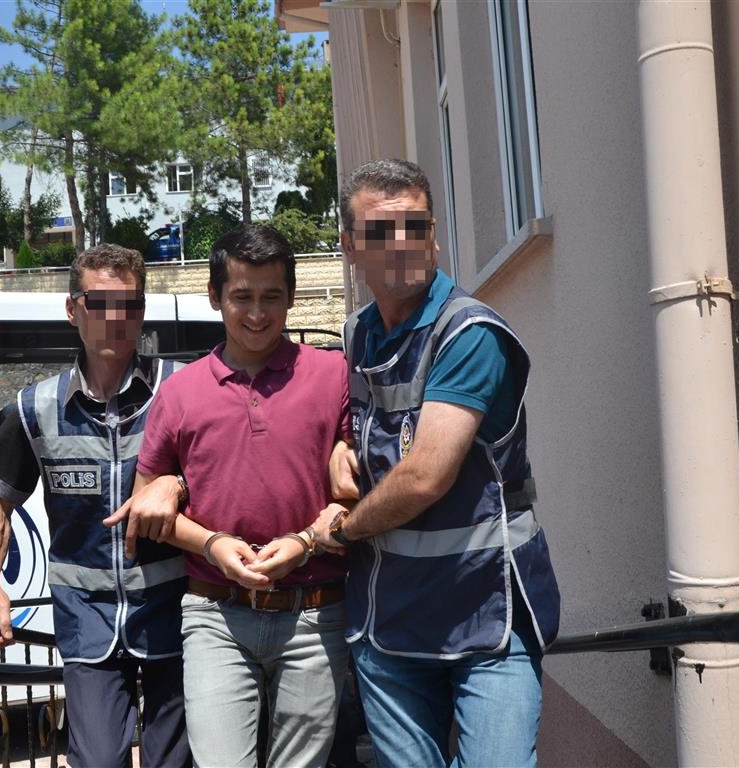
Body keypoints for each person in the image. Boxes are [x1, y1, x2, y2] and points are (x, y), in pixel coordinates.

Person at [313, 158, 561, 767]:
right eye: (381, 231)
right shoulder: (357, 333)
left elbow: (425, 475)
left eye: (415, 227)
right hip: (390, 620)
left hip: (485, 614)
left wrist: (343, 529)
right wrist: (342, 448)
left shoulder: (469, 333)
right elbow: (367, 430)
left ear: (434, 237)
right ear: (349, 246)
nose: (401, 243)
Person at [111, 224, 351, 767]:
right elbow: (146, 507)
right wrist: (212, 544)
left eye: (272, 297)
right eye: (242, 297)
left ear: (292, 296)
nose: (257, 314)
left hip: (315, 611)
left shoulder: (335, 375)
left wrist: (306, 542)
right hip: (213, 615)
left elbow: (360, 491)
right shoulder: (179, 392)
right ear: (215, 296)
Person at [0, 244, 190, 768]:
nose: (116, 318)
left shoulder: (183, 390)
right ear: (73, 310)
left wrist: (176, 483)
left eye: (129, 304)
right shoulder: (35, 408)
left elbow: (228, 475)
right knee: (97, 761)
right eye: (100, 303)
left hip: (176, 614)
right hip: (86, 621)